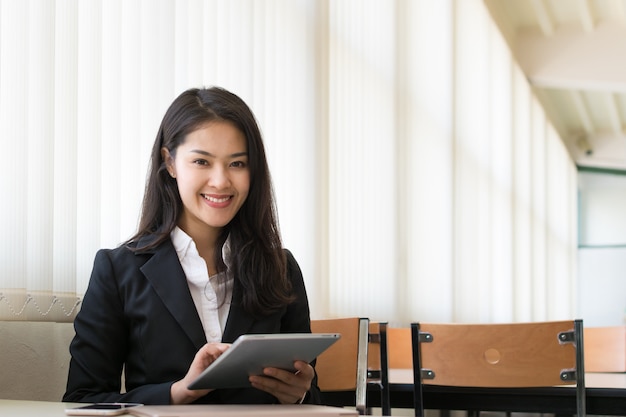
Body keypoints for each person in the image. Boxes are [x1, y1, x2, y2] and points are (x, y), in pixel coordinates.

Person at [63, 87, 320, 406]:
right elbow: (82, 399)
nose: (221, 181)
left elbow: (308, 390)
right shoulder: (118, 270)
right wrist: (178, 392)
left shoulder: (281, 268)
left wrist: (300, 395)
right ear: (169, 162)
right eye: (202, 161)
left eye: (237, 164)